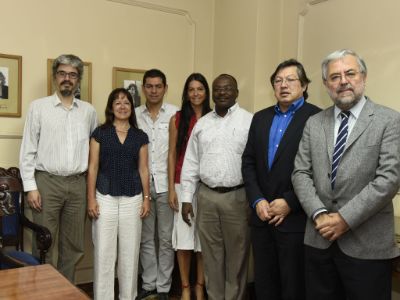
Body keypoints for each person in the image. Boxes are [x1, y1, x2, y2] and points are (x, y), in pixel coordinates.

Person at [292, 49, 400, 300]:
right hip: (319, 240)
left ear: (363, 76)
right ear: (325, 84)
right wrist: (319, 214)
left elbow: (388, 179)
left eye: (350, 73)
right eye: (335, 76)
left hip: (367, 247)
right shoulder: (314, 122)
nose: (343, 81)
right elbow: (300, 172)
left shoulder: (389, 120)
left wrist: (344, 219)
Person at [242, 59, 321, 300]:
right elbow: (248, 162)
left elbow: (320, 171)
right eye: (278, 80)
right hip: (262, 217)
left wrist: (289, 202)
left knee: (293, 286)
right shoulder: (260, 118)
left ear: (304, 85)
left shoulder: (317, 118)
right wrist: (257, 200)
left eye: (290, 80)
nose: (283, 85)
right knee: (265, 284)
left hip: (295, 220)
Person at [19, 54, 98, 282]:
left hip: (78, 184)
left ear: (78, 80)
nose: (67, 78)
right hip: (46, 183)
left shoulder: (88, 112)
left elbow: (94, 152)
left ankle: (66, 292)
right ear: (55, 77)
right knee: (44, 242)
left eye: (72, 75)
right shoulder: (39, 108)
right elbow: (28, 149)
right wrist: (31, 187)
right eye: (62, 73)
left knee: (73, 246)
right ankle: (43, 292)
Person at [180, 74, 253, 300]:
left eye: (227, 88)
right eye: (218, 89)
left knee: (237, 258)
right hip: (207, 197)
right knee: (211, 257)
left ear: (236, 92)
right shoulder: (202, 124)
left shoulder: (249, 121)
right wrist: (186, 198)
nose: (222, 92)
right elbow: (191, 162)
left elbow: (256, 162)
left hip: (237, 198)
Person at [87, 88, 151, 300]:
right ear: (111, 107)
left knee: (129, 256)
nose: (122, 106)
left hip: (133, 200)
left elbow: (143, 169)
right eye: (118, 103)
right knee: (104, 254)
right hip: (104, 198)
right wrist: (91, 199)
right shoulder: (100, 133)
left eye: (126, 103)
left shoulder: (140, 136)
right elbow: (93, 167)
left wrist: (146, 199)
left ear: (131, 108)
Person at [135, 69, 179, 300]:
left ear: (165, 88)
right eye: (149, 86)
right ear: (143, 88)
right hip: (140, 186)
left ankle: (163, 287)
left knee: (165, 238)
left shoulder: (175, 114)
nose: (153, 90)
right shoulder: (134, 115)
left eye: (158, 86)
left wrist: (174, 187)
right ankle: (149, 283)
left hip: (166, 185)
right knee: (145, 238)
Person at [167, 73, 211, 300]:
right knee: (184, 239)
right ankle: (185, 286)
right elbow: (172, 154)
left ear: (206, 92)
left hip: (206, 186)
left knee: (203, 240)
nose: (195, 93)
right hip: (182, 184)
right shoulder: (177, 118)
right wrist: (172, 189)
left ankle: (199, 285)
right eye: (191, 89)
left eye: (200, 89)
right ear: (186, 93)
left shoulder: (214, 117)